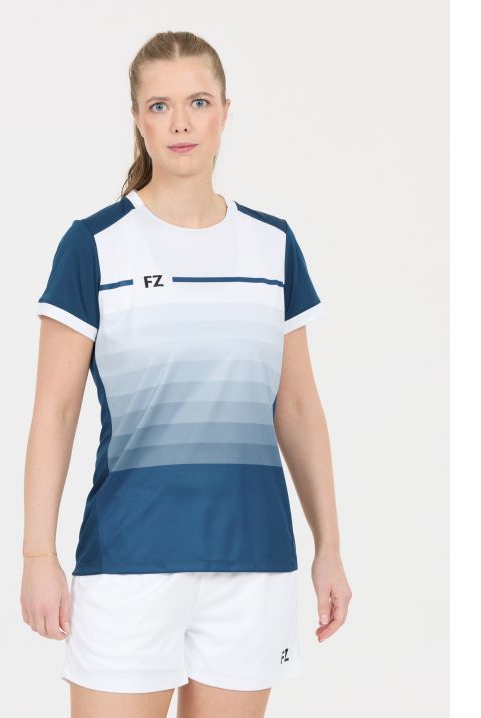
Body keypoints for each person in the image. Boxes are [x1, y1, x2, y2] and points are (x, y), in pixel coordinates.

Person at [21, 30, 352, 718]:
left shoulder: (272, 245)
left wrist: (330, 547)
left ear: (225, 112)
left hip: (254, 562)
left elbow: (298, 407)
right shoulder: (94, 245)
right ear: (138, 119)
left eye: (198, 102)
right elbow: (55, 411)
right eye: (160, 105)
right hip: (128, 561)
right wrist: (37, 556)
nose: (180, 122)